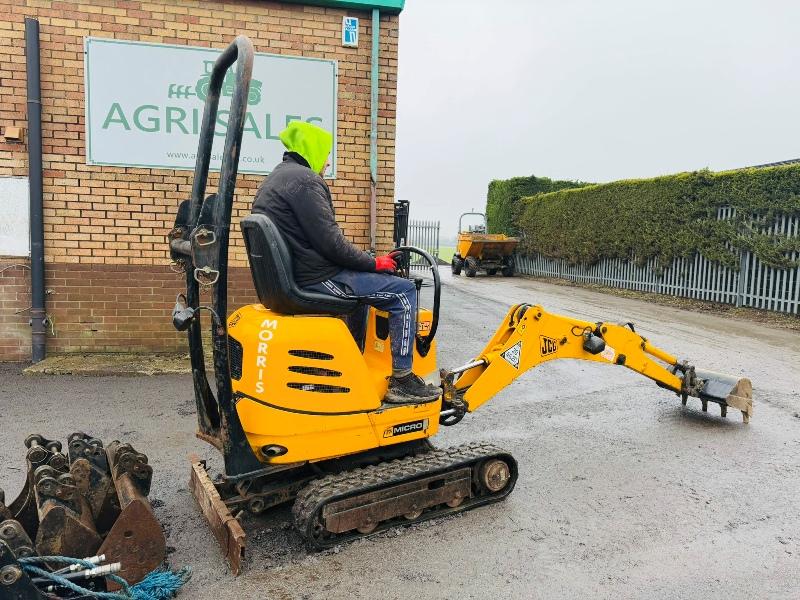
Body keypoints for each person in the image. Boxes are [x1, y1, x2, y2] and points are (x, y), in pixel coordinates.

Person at [251, 121, 440, 404]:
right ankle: (402, 381)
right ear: (312, 149)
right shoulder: (305, 181)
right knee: (403, 292)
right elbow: (332, 244)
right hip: (317, 279)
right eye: (326, 155)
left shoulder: (277, 179)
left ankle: (350, 369)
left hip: (297, 277)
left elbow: (322, 243)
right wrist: (376, 263)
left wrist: (366, 261)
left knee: (365, 292)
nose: (326, 164)